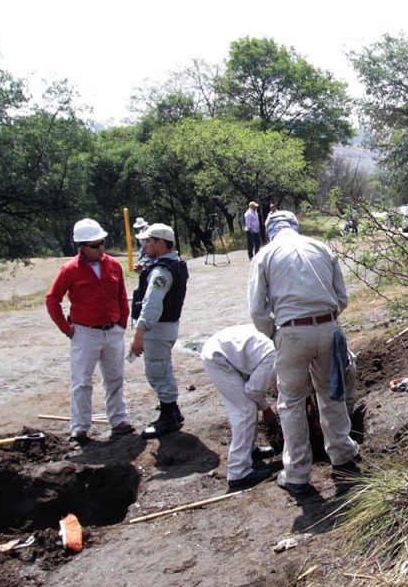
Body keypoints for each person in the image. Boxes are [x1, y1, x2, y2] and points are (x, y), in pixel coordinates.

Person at [247, 210, 361, 498]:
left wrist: (276, 333)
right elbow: (342, 298)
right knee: (331, 393)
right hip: (328, 328)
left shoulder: (265, 255)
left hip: (291, 331)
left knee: (291, 402)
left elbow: (257, 310)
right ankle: (343, 456)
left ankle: (297, 474)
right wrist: (327, 322)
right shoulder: (322, 247)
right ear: (295, 226)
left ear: (269, 231)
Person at [45, 218, 131, 443]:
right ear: (81, 247)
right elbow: (52, 299)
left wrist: (121, 323)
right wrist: (67, 329)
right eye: (94, 245)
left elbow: (122, 295)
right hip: (85, 333)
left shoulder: (113, 265)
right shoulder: (69, 270)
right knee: (82, 381)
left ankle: (119, 420)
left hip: (112, 331)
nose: (100, 248)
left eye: (102, 242)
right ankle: (80, 427)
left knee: (115, 378)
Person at [199, 324, 279, 491]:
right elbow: (253, 390)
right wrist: (267, 409)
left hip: (231, 352)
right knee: (245, 410)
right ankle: (238, 471)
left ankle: (249, 449)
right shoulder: (273, 357)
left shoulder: (276, 345)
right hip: (218, 357)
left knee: (247, 406)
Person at [129, 223, 188, 439]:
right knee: (161, 368)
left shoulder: (162, 270)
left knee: (158, 370)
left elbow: (152, 303)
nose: (144, 245)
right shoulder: (171, 264)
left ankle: (168, 417)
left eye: (148, 241)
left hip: (158, 328)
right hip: (165, 327)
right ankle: (172, 410)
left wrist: (139, 332)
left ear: (160, 243)